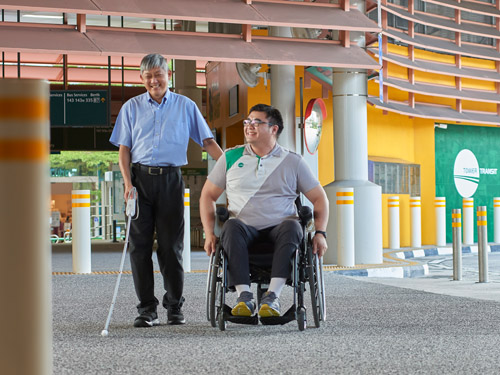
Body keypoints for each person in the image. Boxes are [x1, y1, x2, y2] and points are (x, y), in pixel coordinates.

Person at [110, 53, 222, 328]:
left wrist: (233, 168)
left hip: (171, 180)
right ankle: (146, 309)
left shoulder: (186, 106)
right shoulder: (131, 107)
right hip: (139, 181)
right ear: (142, 79)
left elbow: (207, 142)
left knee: (172, 247)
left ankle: (174, 306)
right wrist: (127, 184)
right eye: (147, 76)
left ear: (168, 75)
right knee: (139, 247)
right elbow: (124, 150)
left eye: (158, 74)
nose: (153, 80)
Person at [200, 104, 329, 318]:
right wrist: (209, 233)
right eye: (247, 122)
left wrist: (320, 233)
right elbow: (207, 195)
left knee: (293, 226)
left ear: (274, 129)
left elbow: (319, 198)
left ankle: (272, 297)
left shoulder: (293, 161)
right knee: (230, 226)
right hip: (243, 228)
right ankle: (245, 297)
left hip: (281, 228)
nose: (249, 126)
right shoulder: (230, 157)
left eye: (256, 122)